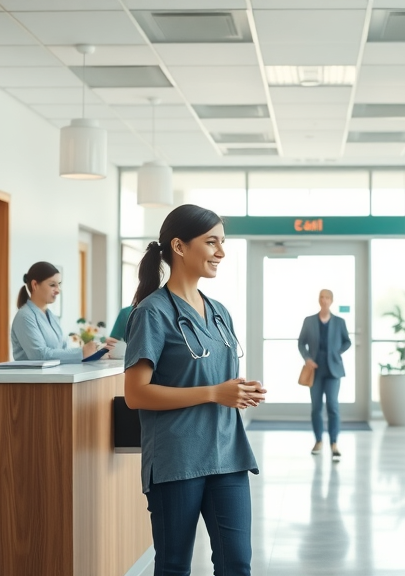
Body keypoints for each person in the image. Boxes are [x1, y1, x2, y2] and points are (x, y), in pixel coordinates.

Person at [123, 204, 265, 576]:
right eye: (212, 242)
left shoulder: (219, 312)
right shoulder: (151, 313)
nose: (221, 252)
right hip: (177, 459)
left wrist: (238, 391)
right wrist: (214, 393)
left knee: (237, 563)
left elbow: (214, 377)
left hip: (228, 454)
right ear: (180, 246)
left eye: (223, 242)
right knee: (173, 567)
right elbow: (136, 394)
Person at [11, 261, 114, 362]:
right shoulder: (24, 317)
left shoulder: (52, 316)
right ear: (35, 285)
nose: (58, 290)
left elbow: (64, 350)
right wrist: (82, 352)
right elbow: (39, 355)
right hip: (33, 379)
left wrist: (94, 353)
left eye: (59, 284)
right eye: (52, 285)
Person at [298, 289, 352, 462]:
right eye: (322, 297)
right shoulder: (309, 321)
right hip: (315, 370)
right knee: (316, 408)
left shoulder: (339, 322)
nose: (324, 300)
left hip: (333, 370)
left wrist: (337, 352)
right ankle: (318, 441)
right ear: (319, 300)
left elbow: (347, 341)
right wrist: (307, 359)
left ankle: (334, 443)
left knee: (333, 406)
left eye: (327, 297)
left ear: (332, 300)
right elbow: (301, 343)